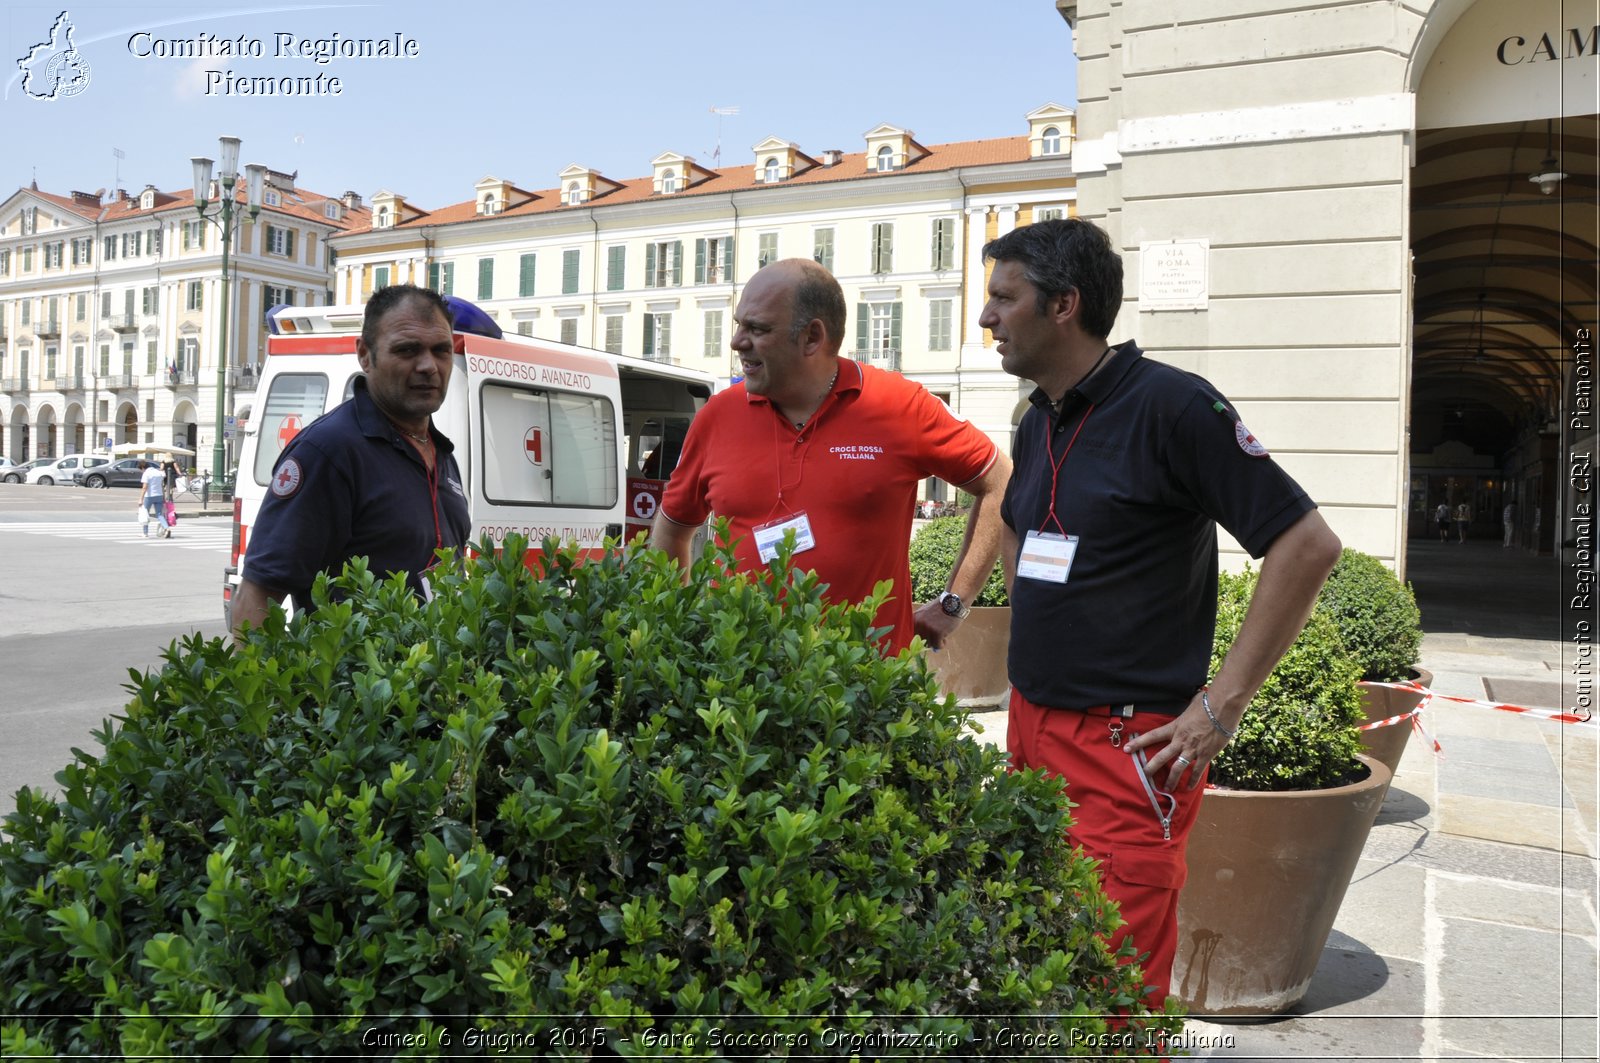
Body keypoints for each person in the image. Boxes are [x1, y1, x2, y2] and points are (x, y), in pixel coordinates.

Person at [982, 219, 1341, 1004]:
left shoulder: (1174, 406)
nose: (987, 319)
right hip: (1032, 727)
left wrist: (1219, 708)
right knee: (1037, 967)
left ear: (1064, 304)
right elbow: (1013, 518)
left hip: (1125, 745)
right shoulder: (1037, 417)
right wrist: (1037, 628)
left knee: (1111, 985)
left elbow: (1307, 545)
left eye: (1004, 299)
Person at [651, 258, 1011, 654]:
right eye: (739, 325)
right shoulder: (718, 415)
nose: (737, 341)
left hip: (863, 688)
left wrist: (953, 603)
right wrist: (678, 631)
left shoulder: (898, 406)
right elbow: (672, 528)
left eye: (757, 329)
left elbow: (999, 480)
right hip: (740, 681)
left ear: (812, 337)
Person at [231, 284, 471, 638]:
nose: (428, 366)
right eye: (407, 350)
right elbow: (258, 595)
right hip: (359, 688)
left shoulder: (440, 452)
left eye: (441, 351)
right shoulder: (327, 453)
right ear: (365, 355)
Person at [138, 460, 170, 539]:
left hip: (149, 496)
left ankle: (145, 533)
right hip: (159, 495)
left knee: (145, 514)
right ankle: (166, 528)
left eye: (141, 469)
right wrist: (163, 497)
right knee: (159, 514)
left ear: (143, 467)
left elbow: (144, 487)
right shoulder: (158, 472)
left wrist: (140, 499)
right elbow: (162, 485)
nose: (141, 471)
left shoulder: (146, 474)